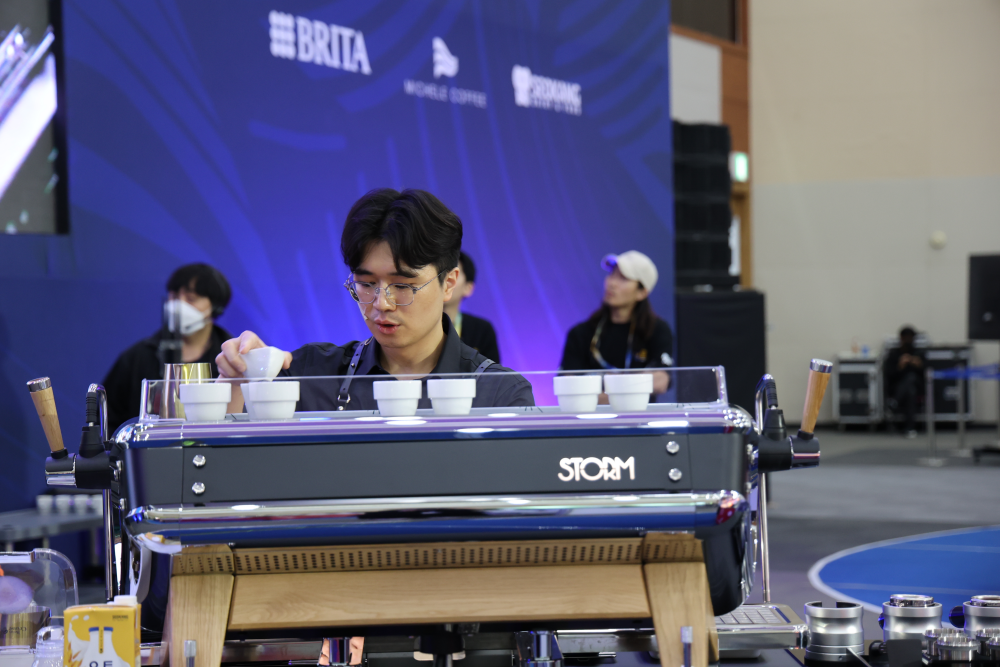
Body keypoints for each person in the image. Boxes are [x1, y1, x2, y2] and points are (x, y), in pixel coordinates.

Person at [216, 188, 534, 410]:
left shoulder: (501, 394)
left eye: (402, 285)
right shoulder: (312, 374)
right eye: (366, 284)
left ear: (448, 283)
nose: (381, 303)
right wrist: (237, 380)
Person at [103, 263, 233, 434]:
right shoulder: (138, 357)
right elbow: (107, 418)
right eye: (173, 296)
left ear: (216, 307)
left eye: (191, 299)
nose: (178, 305)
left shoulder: (231, 359)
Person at [559, 251, 673, 396]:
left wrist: (604, 389)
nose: (612, 283)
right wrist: (633, 387)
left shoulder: (656, 330)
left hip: (639, 417)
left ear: (642, 292)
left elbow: (661, 381)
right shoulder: (581, 333)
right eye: (612, 274)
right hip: (590, 417)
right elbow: (567, 384)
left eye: (623, 278)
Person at [442, 251, 501, 363]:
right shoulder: (415, 325)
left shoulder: (482, 330)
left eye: (452, 275)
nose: (444, 280)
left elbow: (492, 377)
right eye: (441, 272)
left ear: (468, 288)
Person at [884, 325, 925, 437]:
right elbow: (889, 375)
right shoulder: (894, 354)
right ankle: (909, 428)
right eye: (906, 338)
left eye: (910, 338)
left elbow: (928, 374)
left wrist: (919, 365)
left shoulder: (919, 353)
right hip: (899, 388)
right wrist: (900, 366)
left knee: (911, 378)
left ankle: (894, 403)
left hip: (919, 387)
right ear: (901, 338)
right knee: (910, 391)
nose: (908, 341)